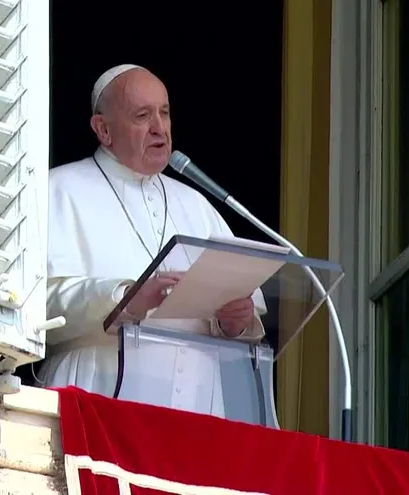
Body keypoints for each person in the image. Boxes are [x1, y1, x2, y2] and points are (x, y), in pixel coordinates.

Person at [38, 64, 266, 415]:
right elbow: (36, 306)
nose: (159, 128)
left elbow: (244, 316)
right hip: (95, 395)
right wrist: (124, 300)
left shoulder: (196, 205)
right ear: (103, 130)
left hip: (195, 410)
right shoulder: (58, 191)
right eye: (143, 115)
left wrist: (234, 320)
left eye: (164, 112)